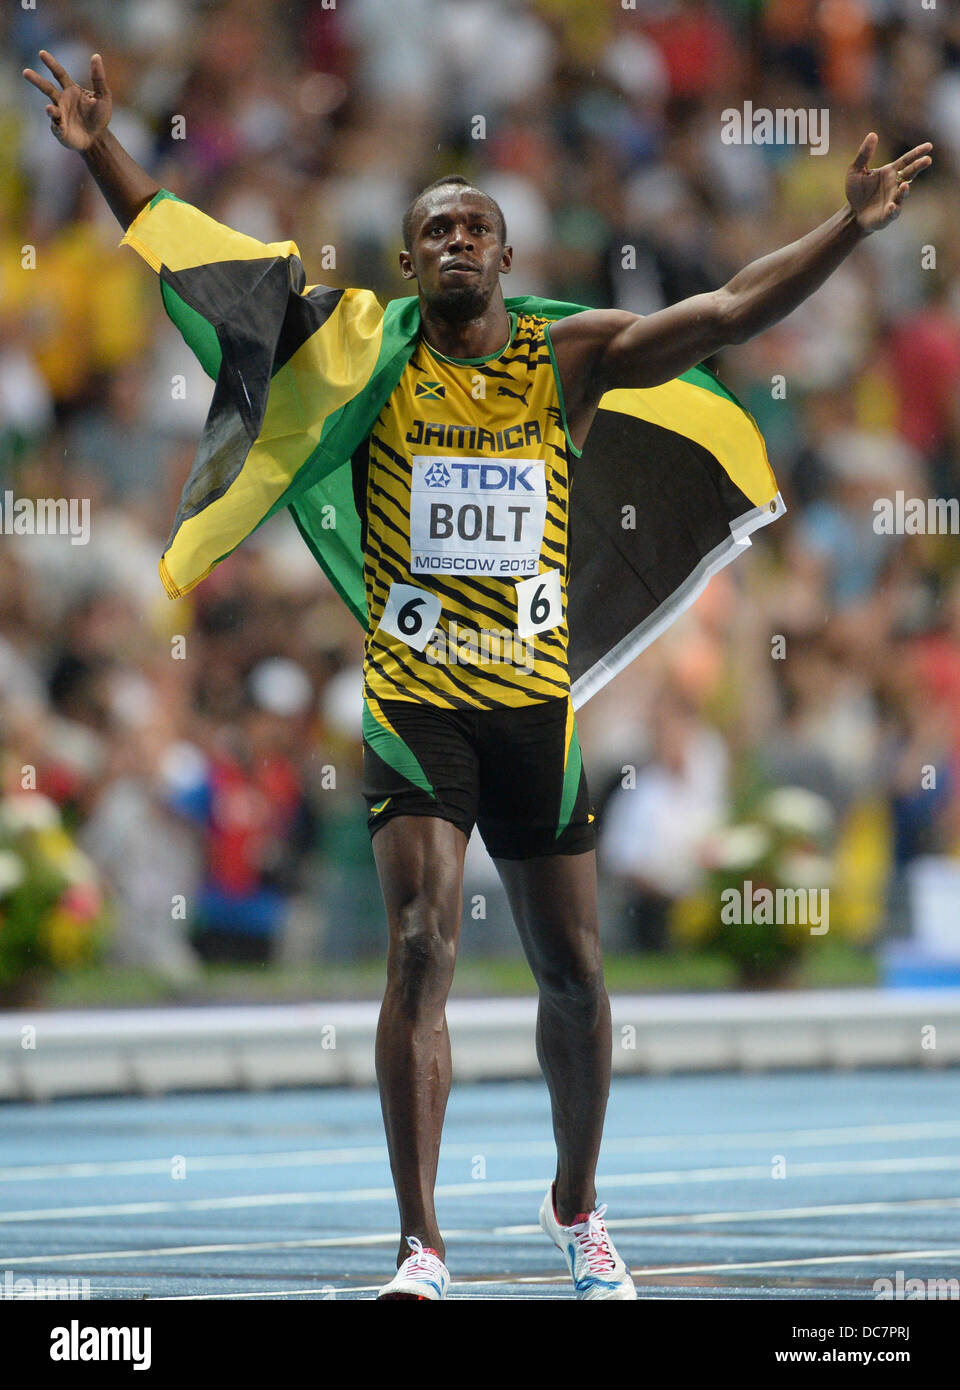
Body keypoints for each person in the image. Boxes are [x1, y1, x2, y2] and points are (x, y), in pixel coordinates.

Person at [23, 48, 933, 1301]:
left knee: (578, 974)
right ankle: (419, 1241)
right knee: (418, 945)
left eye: (477, 226)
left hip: (534, 711)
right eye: (435, 228)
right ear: (407, 262)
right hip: (415, 702)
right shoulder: (361, 356)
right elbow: (217, 275)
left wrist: (843, 225)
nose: (456, 239)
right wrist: (100, 155)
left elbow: (726, 313)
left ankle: (577, 1204)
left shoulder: (572, 362)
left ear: (508, 258)